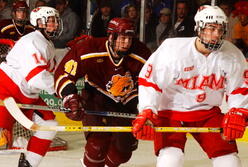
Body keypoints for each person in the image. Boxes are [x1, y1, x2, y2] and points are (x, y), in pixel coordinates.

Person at [132, 5, 247, 167]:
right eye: (211, 28)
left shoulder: (232, 54)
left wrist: (238, 111)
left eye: (220, 29)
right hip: (170, 112)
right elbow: (151, 81)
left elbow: (239, 88)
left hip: (207, 113)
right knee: (170, 160)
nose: (216, 35)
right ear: (198, 28)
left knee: (229, 162)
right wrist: (147, 109)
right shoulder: (172, 50)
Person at [54, 17, 151, 167]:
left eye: (130, 39)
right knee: (97, 146)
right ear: (111, 36)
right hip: (96, 99)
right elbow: (64, 73)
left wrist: (147, 108)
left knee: (123, 152)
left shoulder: (142, 54)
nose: (127, 43)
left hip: (127, 104)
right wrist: (70, 96)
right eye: (123, 38)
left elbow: (151, 84)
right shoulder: (89, 49)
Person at [0, 6, 62, 167]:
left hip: (28, 96)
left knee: (49, 125)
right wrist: (61, 92)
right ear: (39, 22)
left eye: (56, 21)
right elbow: (37, 78)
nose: (55, 25)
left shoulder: (46, 43)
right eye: (51, 21)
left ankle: (28, 164)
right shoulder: (33, 41)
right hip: (6, 91)